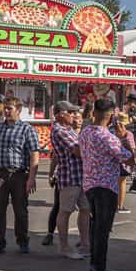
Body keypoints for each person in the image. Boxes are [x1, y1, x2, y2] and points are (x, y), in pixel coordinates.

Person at [79, 98, 132, 271]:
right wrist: (124, 138)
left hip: (90, 184)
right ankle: (99, 268)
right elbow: (129, 158)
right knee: (103, 228)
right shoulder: (107, 137)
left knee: (96, 227)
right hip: (106, 186)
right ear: (110, 116)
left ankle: (95, 265)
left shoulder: (85, 132)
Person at [0, 96, 40, 254]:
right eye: (5, 108)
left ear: (19, 110)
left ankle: (22, 241)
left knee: (20, 211)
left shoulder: (27, 129)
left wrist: (31, 178)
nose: (6, 111)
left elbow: (34, 155)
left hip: (19, 175)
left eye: (10, 108)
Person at [50, 101, 90, 259]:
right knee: (65, 211)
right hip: (70, 177)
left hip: (80, 176)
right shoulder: (61, 131)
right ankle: (64, 246)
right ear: (61, 114)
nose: (74, 115)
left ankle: (85, 244)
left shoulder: (69, 130)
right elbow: (78, 151)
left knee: (86, 210)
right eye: (71, 112)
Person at [113, 112, 136, 213]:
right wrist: (135, 162)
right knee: (121, 183)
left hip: (113, 161)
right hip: (124, 161)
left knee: (115, 183)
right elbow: (132, 150)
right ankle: (119, 205)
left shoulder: (110, 131)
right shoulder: (128, 134)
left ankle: (116, 205)